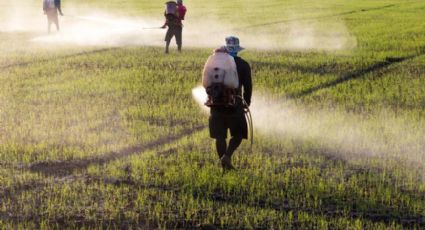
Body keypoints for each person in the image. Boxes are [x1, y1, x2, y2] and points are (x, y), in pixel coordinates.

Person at [209, 36, 252, 170]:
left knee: (219, 136)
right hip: (235, 105)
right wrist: (246, 102)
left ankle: (224, 165)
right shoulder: (243, 64)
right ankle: (227, 156)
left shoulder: (215, 63)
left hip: (216, 104)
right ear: (237, 50)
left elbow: (208, 83)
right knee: (238, 134)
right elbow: (248, 86)